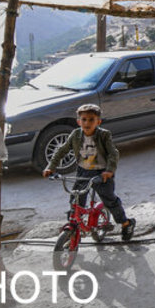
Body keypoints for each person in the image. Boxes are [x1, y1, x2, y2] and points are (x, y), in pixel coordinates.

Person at [43, 103, 136, 241]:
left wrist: (109, 171)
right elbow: (62, 150)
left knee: (109, 200)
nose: (87, 123)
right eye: (84, 119)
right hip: (83, 171)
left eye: (91, 120)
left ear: (98, 121)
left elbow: (113, 154)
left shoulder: (104, 135)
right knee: (76, 199)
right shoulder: (75, 134)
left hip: (101, 172)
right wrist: (51, 166)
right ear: (78, 121)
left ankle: (126, 223)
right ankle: (75, 228)